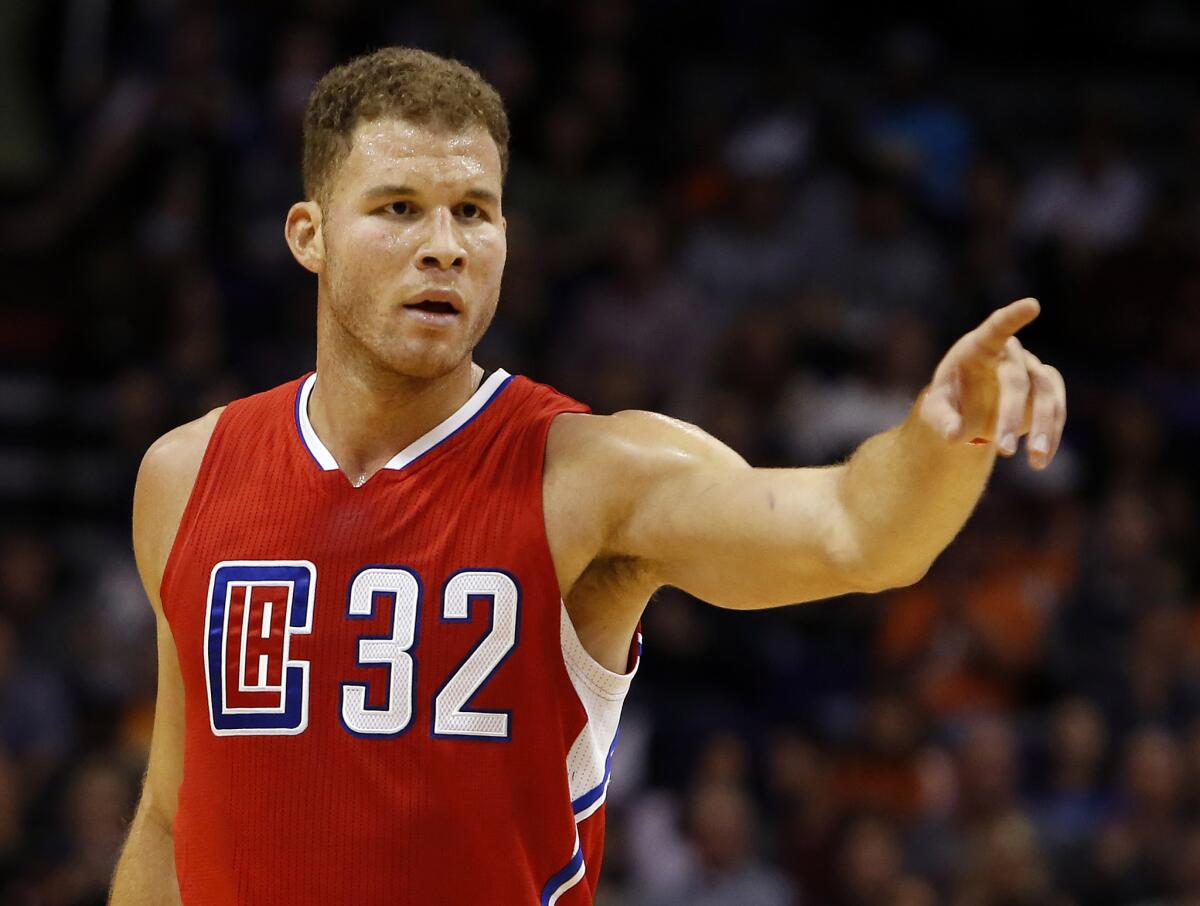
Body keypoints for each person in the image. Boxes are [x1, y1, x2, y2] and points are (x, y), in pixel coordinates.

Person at [108, 46, 1066, 905]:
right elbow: (166, 820)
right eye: (399, 208)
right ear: (308, 235)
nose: (444, 243)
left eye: (473, 212)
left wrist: (943, 439)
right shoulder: (186, 474)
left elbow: (856, 535)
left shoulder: (597, 472)